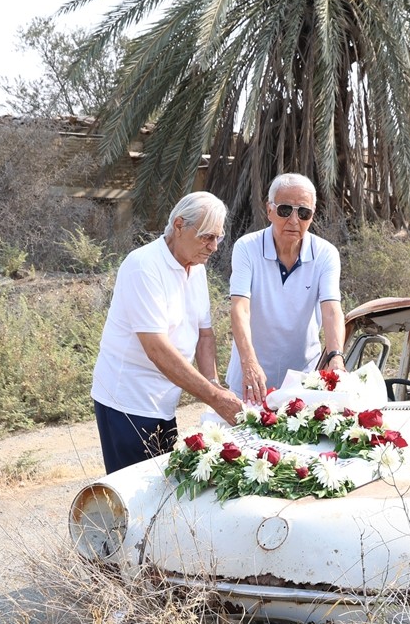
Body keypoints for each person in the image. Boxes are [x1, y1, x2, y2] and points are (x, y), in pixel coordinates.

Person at [91, 191, 243, 474]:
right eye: (207, 237)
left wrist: (213, 382)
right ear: (179, 225)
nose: (214, 247)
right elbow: (156, 349)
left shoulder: (196, 268)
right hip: (128, 401)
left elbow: (204, 333)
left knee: (162, 487)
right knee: (136, 493)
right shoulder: (144, 266)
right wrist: (213, 397)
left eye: (218, 238)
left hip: (164, 400)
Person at [226, 173, 346, 404]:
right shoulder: (247, 248)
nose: (293, 220)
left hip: (303, 380)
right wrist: (249, 363)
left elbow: (331, 310)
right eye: (284, 210)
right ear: (269, 210)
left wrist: (336, 360)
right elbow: (240, 309)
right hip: (250, 381)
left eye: (303, 213)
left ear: (312, 215)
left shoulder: (326, 254)